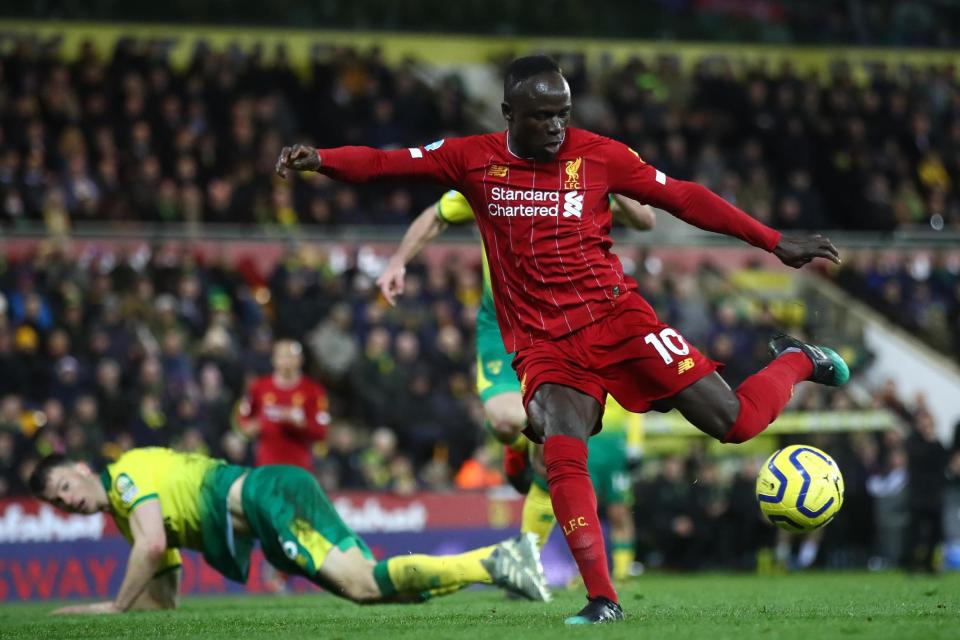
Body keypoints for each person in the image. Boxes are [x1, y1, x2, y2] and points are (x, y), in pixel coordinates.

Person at [276, 55, 848, 624]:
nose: (556, 127)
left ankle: (798, 359)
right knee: (560, 444)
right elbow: (384, 162)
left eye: (563, 114)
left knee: (739, 424)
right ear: (508, 115)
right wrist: (322, 160)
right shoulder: (472, 159)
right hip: (544, 344)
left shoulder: (599, 154)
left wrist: (774, 241)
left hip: (621, 321)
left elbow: (685, 198)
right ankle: (603, 599)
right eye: (543, 116)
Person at [376, 189, 652, 581]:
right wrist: (398, 262)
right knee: (509, 423)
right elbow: (435, 214)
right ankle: (515, 447)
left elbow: (646, 221)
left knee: (550, 446)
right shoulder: (488, 175)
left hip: (560, 327)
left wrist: (614, 187)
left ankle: (526, 561)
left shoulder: (585, 168)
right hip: (504, 325)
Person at [28, 447, 550, 615]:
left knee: (365, 584)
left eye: (63, 486)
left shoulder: (124, 476)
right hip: (269, 504)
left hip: (269, 496)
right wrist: (129, 620)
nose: (67, 500)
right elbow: (162, 592)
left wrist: (111, 609)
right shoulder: (127, 512)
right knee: (375, 593)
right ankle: (499, 567)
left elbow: (153, 545)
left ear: (78, 467)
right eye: (56, 500)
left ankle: (499, 562)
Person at [236, 340, 328, 470]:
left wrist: (300, 424)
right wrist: (251, 427)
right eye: (282, 356)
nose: (287, 361)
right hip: (266, 467)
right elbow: (243, 419)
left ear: (300, 360)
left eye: (291, 356)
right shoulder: (259, 387)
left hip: (299, 468)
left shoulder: (313, 390)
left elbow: (322, 431)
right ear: (273, 359)